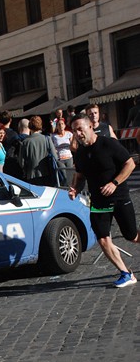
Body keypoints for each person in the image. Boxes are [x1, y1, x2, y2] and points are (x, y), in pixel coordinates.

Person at [69, 114, 139, 288]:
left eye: (80, 129)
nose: (78, 133)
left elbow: (130, 164)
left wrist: (114, 183)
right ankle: (126, 273)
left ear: (90, 127)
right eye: (74, 130)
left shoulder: (108, 144)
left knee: (132, 236)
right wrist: (75, 189)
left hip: (119, 198)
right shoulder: (79, 154)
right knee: (103, 239)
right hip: (99, 202)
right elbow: (79, 175)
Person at [18, 116, 58, 186]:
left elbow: (21, 163)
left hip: (31, 176)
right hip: (47, 173)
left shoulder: (25, 142)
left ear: (29, 126)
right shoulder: (47, 139)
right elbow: (55, 157)